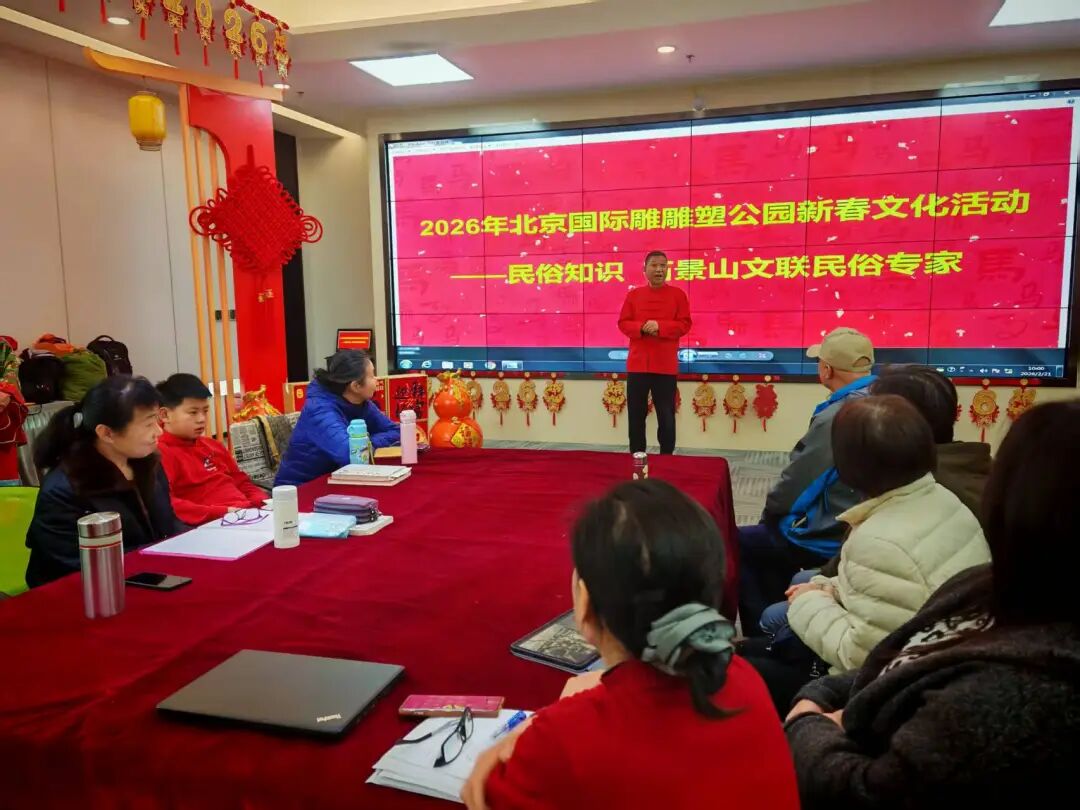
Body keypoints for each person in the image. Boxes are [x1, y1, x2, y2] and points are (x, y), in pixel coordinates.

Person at [785, 400, 1080, 808]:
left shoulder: (1007, 699)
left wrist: (807, 720)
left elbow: (865, 790)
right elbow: (898, 652)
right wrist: (825, 693)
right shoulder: (987, 583)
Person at [461, 479, 799, 810]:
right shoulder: (741, 677)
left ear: (585, 603)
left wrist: (522, 735)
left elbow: (484, 795)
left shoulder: (565, 740)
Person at [756, 364, 992, 643]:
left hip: (907, 641)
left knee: (775, 612)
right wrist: (825, 586)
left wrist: (811, 599)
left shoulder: (907, 494)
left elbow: (862, 649)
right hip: (937, 617)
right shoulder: (953, 476)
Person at [738, 327, 875, 634]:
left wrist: (772, 513)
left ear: (827, 369)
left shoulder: (839, 416)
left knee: (747, 540)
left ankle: (763, 635)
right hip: (867, 523)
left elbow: (799, 483)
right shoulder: (887, 398)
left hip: (834, 532)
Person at [24, 375, 183, 587]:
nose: (158, 431)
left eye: (156, 420)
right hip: (82, 590)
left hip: (148, 575)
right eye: (148, 424)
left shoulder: (145, 463)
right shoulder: (66, 487)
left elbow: (167, 525)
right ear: (107, 433)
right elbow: (75, 564)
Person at [275, 350, 400, 487]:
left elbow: (396, 431)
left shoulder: (361, 402)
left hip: (338, 480)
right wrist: (364, 445)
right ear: (356, 386)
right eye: (372, 376)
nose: (377, 380)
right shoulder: (319, 410)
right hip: (301, 487)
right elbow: (350, 455)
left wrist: (364, 444)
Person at [156, 373, 266, 525]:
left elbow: (241, 482)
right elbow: (168, 504)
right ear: (165, 415)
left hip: (246, 515)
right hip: (213, 524)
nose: (201, 419)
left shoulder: (213, 445)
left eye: (205, 411)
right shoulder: (160, 453)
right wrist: (225, 512)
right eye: (193, 412)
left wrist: (262, 502)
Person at [618, 250, 691, 455]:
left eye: (663, 266)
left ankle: (667, 458)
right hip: (638, 365)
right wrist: (641, 327)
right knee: (636, 415)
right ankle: (637, 457)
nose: (659, 270)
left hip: (665, 366)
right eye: (654, 265)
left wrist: (660, 327)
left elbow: (685, 324)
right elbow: (623, 323)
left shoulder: (678, 295)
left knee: (666, 416)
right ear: (645, 269)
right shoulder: (634, 295)